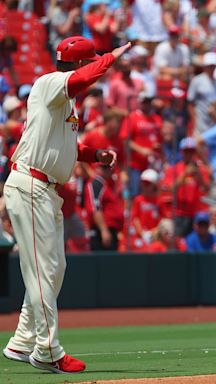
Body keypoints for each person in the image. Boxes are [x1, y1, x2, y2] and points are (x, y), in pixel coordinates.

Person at [1, 37, 131, 373]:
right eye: (90, 60)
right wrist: (110, 59)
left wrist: (93, 154)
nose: (94, 64)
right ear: (79, 63)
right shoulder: (49, 83)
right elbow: (83, 78)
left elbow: (67, 143)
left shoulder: (63, 101)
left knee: (53, 269)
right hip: (30, 185)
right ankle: (47, 350)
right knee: (43, 272)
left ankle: (22, 339)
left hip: (45, 189)